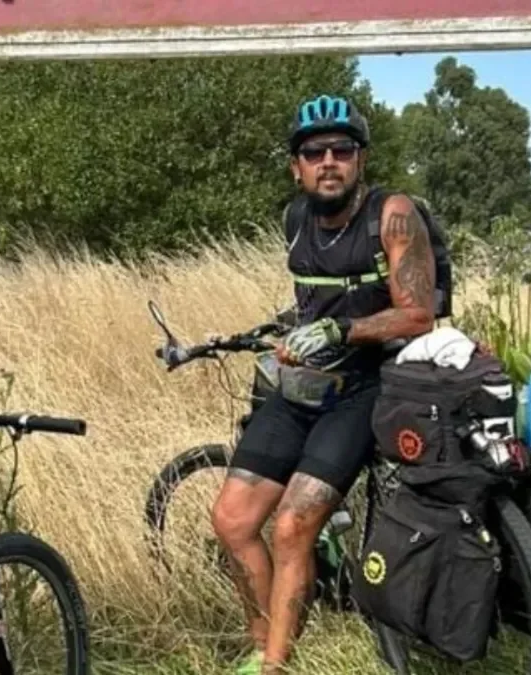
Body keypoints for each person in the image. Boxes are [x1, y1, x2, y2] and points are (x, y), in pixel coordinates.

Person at [210, 95, 441, 674]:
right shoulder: (295, 219)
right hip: (300, 390)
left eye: (342, 149)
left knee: (292, 526)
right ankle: (264, 638)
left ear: (361, 159)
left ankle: (275, 666)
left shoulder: (392, 214)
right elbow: (312, 302)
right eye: (315, 152)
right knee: (233, 521)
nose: (329, 160)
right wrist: (290, 333)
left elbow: (418, 314)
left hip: (364, 390)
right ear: (297, 166)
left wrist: (342, 329)